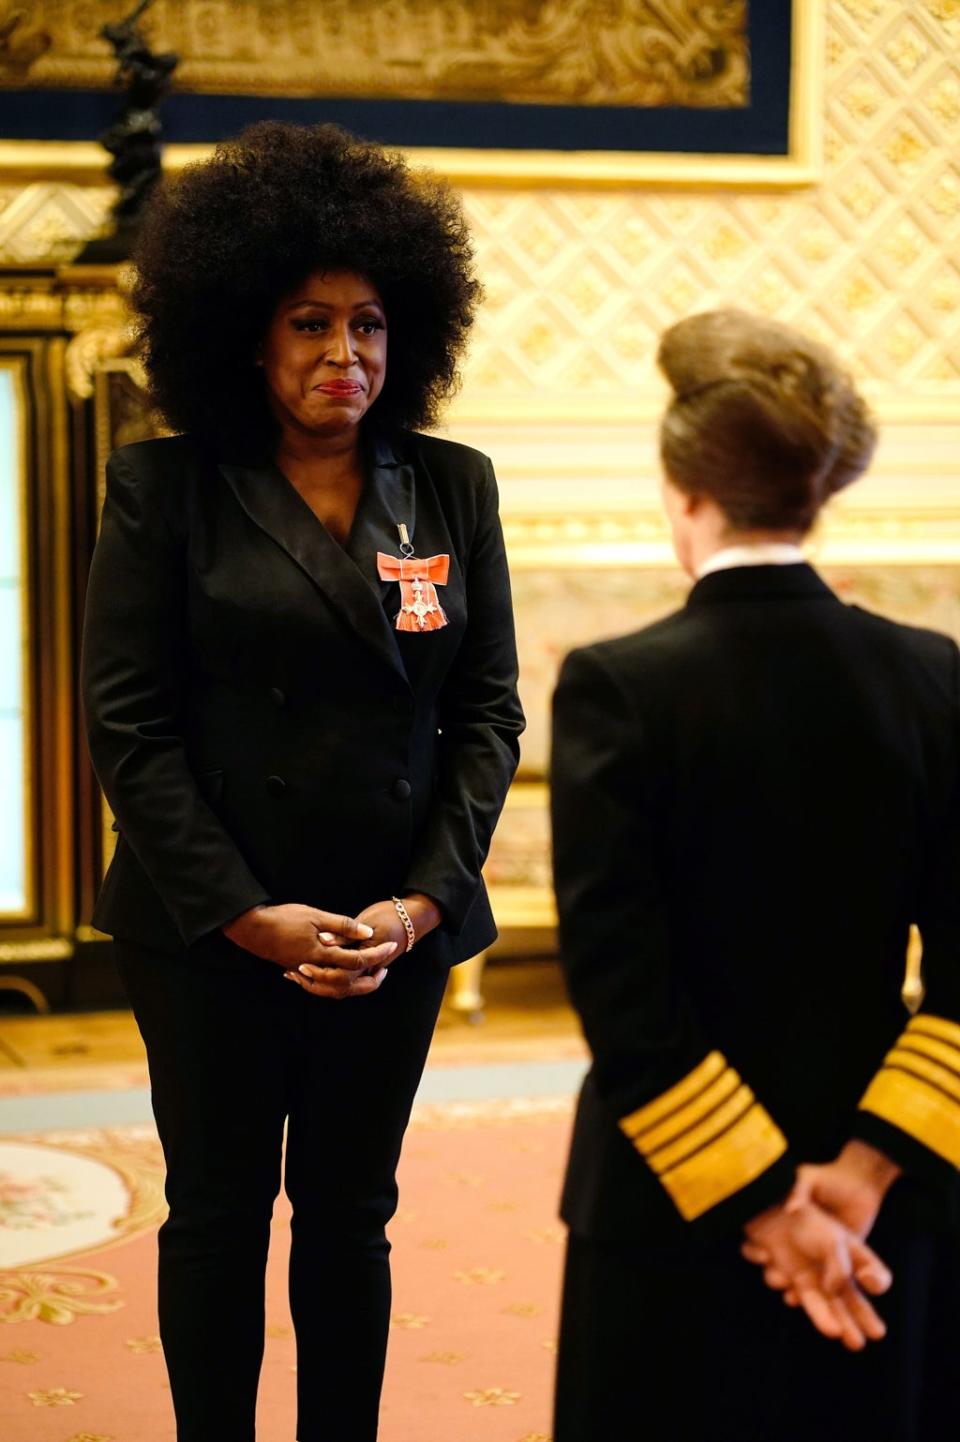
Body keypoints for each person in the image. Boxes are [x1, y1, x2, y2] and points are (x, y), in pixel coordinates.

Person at [81, 121, 524, 1442]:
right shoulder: (165, 488)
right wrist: (243, 912)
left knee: (352, 1214)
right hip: (214, 927)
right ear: (244, 337)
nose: (348, 355)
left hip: (392, 930)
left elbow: (488, 714)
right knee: (216, 1212)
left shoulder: (450, 485)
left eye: (373, 325)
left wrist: (423, 906)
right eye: (311, 324)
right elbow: (130, 726)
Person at [550, 308, 960, 1442]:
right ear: (816, 496)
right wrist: (862, 1174)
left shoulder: (619, 685)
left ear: (684, 491)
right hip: (884, 1198)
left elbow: (623, 994)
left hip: (668, 1200)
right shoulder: (932, 677)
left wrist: (767, 1201)